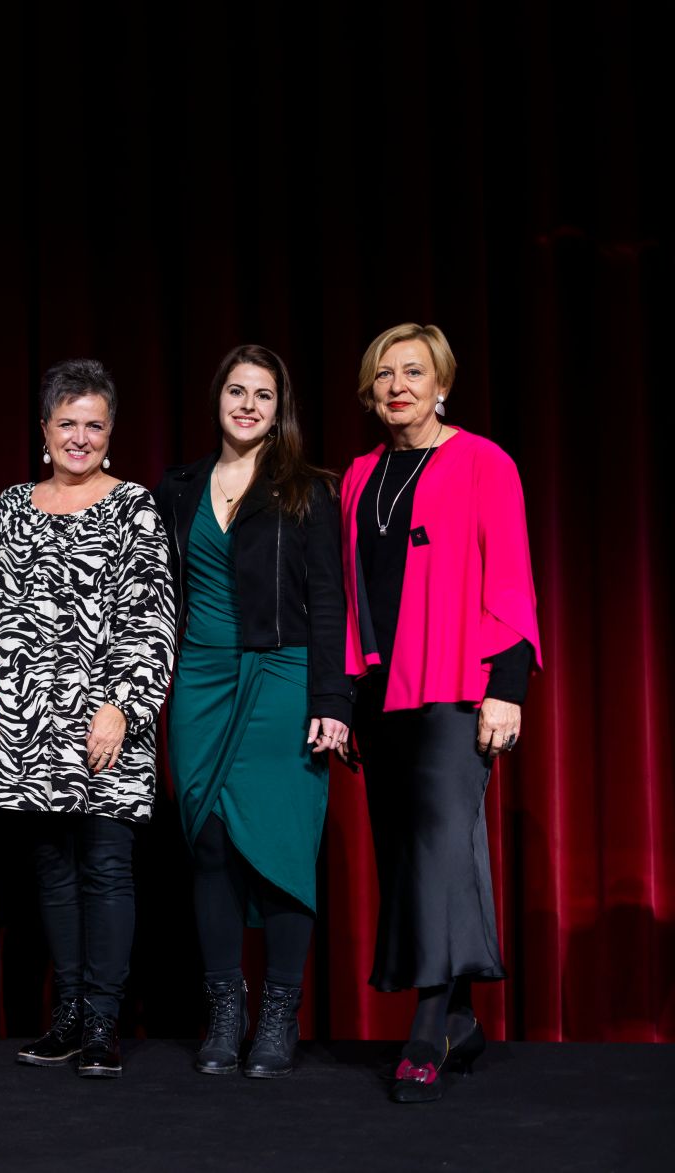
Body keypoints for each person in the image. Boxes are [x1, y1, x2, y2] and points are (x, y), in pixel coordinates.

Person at [340, 323, 539, 1103]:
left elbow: (514, 572)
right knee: (403, 855)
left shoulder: (484, 461)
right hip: (381, 693)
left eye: (414, 372)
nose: (398, 386)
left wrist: (509, 684)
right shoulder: (359, 475)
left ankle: (427, 1029)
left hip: (459, 685)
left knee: (439, 848)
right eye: (384, 375)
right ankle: (462, 1017)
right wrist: (347, 699)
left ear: (441, 382)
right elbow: (354, 594)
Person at [154, 344, 351, 1079]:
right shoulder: (176, 486)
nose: (247, 405)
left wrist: (333, 698)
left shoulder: (308, 489)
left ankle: (277, 1012)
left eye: (262, 395)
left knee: (279, 849)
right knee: (208, 842)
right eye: (235, 390)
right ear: (217, 399)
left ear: (280, 407)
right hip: (199, 679)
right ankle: (224, 1008)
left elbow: (330, 600)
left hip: (283, 677)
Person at [0, 358, 176, 1079]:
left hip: (108, 720)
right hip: (31, 720)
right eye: (66, 422)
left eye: (92, 424)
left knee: (105, 866)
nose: (79, 436)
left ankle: (104, 1018)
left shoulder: (133, 505)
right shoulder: (9, 505)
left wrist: (123, 706)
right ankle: (67, 1012)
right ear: (44, 429)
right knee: (52, 870)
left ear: (110, 431)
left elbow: (153, 614)